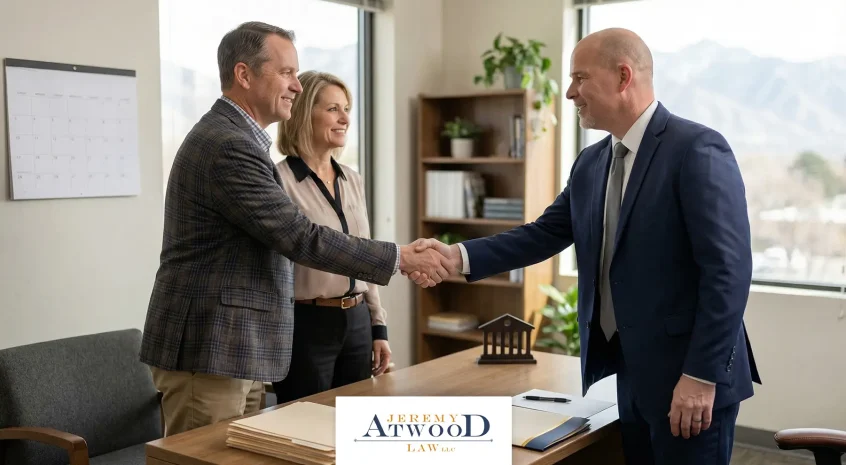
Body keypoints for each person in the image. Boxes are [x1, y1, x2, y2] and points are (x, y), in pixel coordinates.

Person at [413, 28, 761, 464]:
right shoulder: (592, 162)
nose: (571, 93)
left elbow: (728, 272)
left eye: (580, 78)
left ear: (622, 76)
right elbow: (542, 234)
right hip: (630, 374)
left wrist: (701, 375)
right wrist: (457, 257)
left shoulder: (696, 149)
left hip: (689, 379)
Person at [140, 21, 452, 437]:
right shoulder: (227, 145)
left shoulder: (243, 142)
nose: (297, 86)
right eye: (286, 72)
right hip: (211, 346)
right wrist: (400, 257)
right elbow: (300, 237)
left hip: (237, 349)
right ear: (244, 74)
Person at [270, 70, 391, 402]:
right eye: (333, 109)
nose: (345, 119)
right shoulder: (278, 180)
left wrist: (377, 327)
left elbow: (364, 255)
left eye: (347, 108)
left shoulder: (352, 179)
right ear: (303, 113)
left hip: (357, 322)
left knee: (353, 431)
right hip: (307, 325)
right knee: (306, 431)